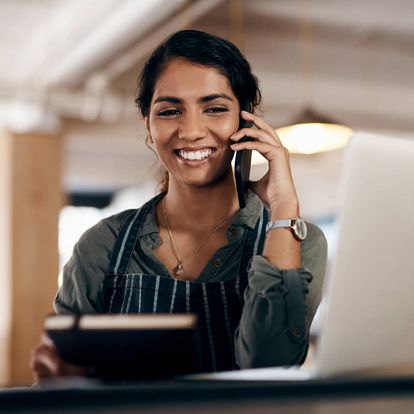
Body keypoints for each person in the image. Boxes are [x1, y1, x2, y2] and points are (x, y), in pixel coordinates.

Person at [31, 29, 327, 379]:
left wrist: (284, 207)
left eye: (215, 109)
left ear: (246, 119)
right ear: (148, 124)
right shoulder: (102, 245)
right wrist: (57, 383)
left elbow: (269, 364)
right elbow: (63, 383)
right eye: (170, 111)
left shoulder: (297, 240)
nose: (190, 131)